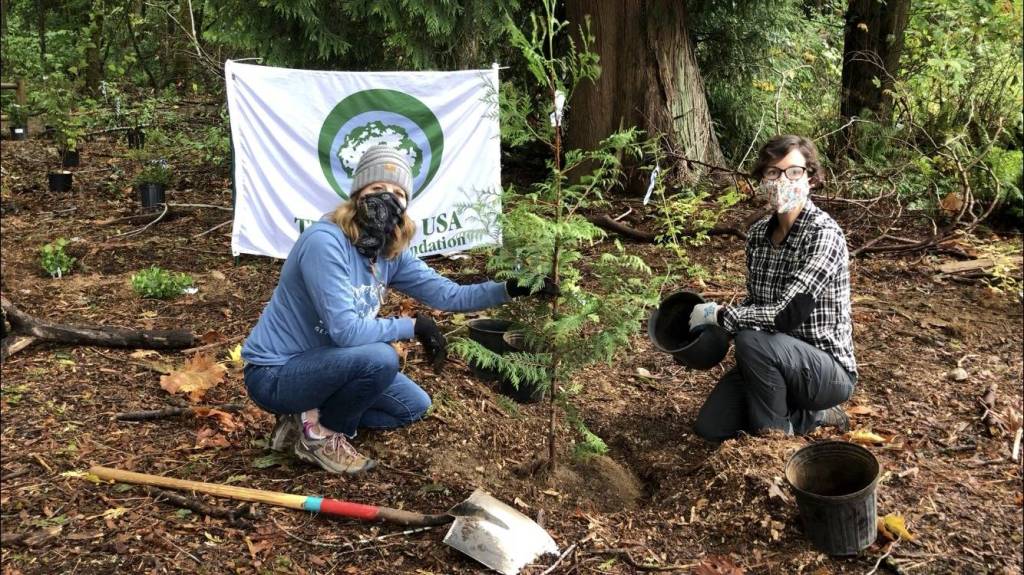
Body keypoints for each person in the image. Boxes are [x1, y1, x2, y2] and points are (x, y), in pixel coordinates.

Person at [241, 144, 556, 475]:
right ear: (358, 194)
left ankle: (304, 417)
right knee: (381, 358)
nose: (387, 199)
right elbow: (346, 331)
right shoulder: (326, 242)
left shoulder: (388, 253)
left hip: (330, 365)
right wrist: (412, 326)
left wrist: (511, 288)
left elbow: (449, 295)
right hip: (276, 372)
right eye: (377, 189)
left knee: (412, 406)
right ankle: (319, 436)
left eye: (397, 192)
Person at [688, 135, 856, 441]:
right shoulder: (757, 237)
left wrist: (722, 315)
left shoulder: (823, 235)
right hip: (772, 361)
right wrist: (707, 336)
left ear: (811, 179)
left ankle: (776, 440)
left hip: (825, 370)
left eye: (793, 172)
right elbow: (755, 304)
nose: (782, 181)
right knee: (712, 427)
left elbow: (786, 315)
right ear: (762, 180)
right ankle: (806, 415)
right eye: (772, 173)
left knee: (751, 341)